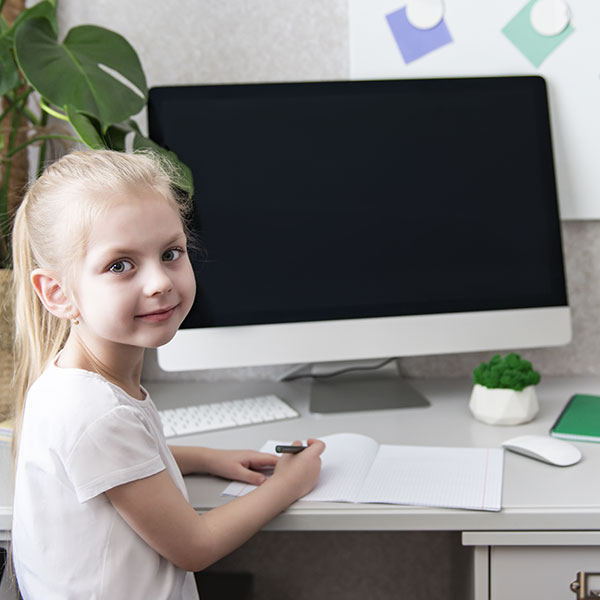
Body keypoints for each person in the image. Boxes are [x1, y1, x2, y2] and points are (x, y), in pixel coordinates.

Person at [10, 150, 325, 599]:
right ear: (58, 294)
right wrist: (291, 484)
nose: (159, 282)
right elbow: (195, 547)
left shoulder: (72, 382)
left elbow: (115, 467)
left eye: (171, 253)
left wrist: (204, 458)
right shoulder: (95, 412)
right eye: (120, 265)